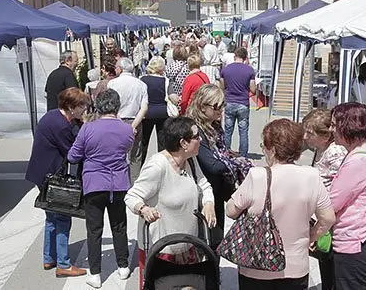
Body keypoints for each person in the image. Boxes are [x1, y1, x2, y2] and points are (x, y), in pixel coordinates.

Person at [225, 119, 336, 290]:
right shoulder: (312, 176)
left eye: (264, 146)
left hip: (256, 264)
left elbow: (231, 211)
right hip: (296, 265)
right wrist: (310, 237)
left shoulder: (257, 176)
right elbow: (328, 219)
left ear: (273, 149)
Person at [125, 117, 216, 286]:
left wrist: (209, 203)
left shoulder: (190, 160)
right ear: (184, 143)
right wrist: (144, 209)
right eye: (197, 136)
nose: (200, 139)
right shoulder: (157, 166)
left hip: (188, 246)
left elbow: (204, 185)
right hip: (161, 250)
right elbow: (131, 196)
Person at [67, 89, 134, 288]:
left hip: (94, 183)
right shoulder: (127, 129)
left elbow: (73, 156)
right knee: (119, 226)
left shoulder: (88, 129)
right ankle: (123, 266)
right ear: (117, 106)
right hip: (118, 183)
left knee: (94, 230)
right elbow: (126, 149)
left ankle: (95, 273)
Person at [25, 88, 90, 278]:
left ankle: (49, 257)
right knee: (62, 217)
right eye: (81, 106)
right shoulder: (61, 126)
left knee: (51, 217)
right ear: (70, 107)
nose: (84, 109)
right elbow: (73, 153)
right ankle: (63, 264)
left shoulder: (53, 116)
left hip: (41, 172)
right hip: (51, 176)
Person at [186, 84, 251, 249]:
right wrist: (237, 162)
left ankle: (213, 269)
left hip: (218, 188)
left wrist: (230, 157)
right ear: (202, 106)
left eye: (222, 105)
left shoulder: (213, 127)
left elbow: (219, 155)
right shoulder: (195, 130)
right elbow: (212, 164)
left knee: (216, 238)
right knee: (206, 239)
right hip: (202, 191)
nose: (220, 110)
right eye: (216, 106)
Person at [328, 102, 366, 290]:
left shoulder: (358, 161)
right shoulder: (359, 153)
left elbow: (332, 202)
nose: (331, 129)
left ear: (347, 126)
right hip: (358, 239)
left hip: (356, 242)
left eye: (334, 125)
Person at [302, 108, 347, 290]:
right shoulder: (321, 149)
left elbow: (341, 189)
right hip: (323, 216)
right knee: (325, 263)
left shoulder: (335, 153)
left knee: (331, 266)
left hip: (333, 220)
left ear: (325, 135)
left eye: (310, 133)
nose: (305, 137)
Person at [107, 57, 148, 183]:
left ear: (119, 69)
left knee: (116, 152)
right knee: (135, 155)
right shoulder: (141, 84)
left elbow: (111, 105)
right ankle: (134, 184)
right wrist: (134, 125)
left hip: (117, 120)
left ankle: (117, 181)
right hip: (135, 120)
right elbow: (144, 107)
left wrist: (119, 122)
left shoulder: (113, 83)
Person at [220, 47, 255, 157]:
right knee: (243, 131)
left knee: (228, 130)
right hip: (243, 103)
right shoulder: (249, 70)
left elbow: (222, 86)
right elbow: (253, 89)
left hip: (229, 102)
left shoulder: (225, 70)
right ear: (245, 58)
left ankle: (226, 152)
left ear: (235, 56)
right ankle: (243, 155)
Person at [140, 56, 169, 165]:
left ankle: (141, 163)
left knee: (144, 141)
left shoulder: (142, 79)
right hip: (162, 112)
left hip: (147, 112)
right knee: (162, 141)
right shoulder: (165, 80)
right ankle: (162, 164)